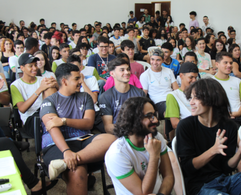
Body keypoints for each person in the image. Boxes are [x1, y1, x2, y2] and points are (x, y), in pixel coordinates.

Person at [176, 78, 241, 195]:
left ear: (211, 98)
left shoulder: (229, 125)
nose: (191, 102)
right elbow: (188, 168)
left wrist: (240, 152)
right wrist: (213, 150)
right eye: (191, 98)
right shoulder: (186, 126)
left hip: (225, 181)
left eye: (196, 97)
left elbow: (227, 168)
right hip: (200, 187)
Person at [39, 63, 116, 195]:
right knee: (78, 170)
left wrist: (64, 121)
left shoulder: (85, 97)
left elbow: (88, 124)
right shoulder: (49, 101)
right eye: (77, 79)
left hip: (83, 139)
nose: (81, 81)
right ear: (64, 81)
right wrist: (66, 151)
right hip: (56, 145)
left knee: (113, 138)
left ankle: (63, 163)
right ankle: (68, 160)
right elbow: (53, 129)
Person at [105, 96, 174, 194]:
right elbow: (143, 192)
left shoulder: (156, 137)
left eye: (155, 115)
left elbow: (168, 176)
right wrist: (154, 156)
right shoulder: (117, 154)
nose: (155, 120)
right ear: (132, 119)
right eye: (149, 116)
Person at [10, 53, 57, 138]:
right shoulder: (16, 85)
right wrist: (39, 90)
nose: (35, 68)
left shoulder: (42, 80)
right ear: (22, 68)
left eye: (35, 65)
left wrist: (56, 85)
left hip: (45, 113)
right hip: (31, 119)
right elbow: (22, 109)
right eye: (30, 66)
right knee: (46, 122)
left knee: (50, 87)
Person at [99, 58, 145, 133]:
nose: (127, 72)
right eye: (122, 70)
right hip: (117, 134)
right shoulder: (105, 97)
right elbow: (108, 127)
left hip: (138, 133)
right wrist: (129, 130)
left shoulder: (139, 93)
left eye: (128, 69)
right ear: (112, 74)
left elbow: (144, 118)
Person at [212, 52, 241, 125]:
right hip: (221, 118)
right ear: (217, 64)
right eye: (225, 63)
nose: (229, 65)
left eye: (230, 63)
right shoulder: (211, 82)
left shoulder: (237, 81)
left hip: (239, 116)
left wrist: (238, 113)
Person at [165, 62, 198, 141]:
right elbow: (175, 123)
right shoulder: (173, 95)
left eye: (196, 77)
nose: (194, 80)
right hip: (189, 133)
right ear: (181, 76)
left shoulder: (199, 94)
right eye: (191, 77)